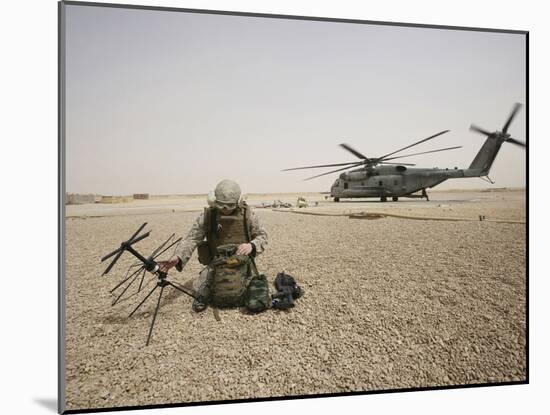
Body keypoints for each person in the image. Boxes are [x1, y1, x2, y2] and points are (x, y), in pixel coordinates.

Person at [158, 179, 268, 312]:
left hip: (243, 264)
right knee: (202, 289)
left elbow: (262, 236)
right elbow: (192, 238)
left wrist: (252, 245)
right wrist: (178, 257)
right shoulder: (208, 217)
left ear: (238, 202)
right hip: (215, 263)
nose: (225, 210)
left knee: (252, 291)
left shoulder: (249, 216)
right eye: (221, 206)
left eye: (229, 206)